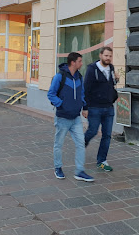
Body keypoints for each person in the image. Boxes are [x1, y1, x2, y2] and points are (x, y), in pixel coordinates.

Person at [47, 52, 94, 182]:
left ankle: (79, 171)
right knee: (59, 144)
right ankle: (58, 167)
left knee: (80, 143)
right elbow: (51, 94)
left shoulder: (79, 77)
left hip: (76, 119)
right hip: (62, 118)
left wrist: (84, 107)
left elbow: (82, 94)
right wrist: (61, 105)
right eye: (80, 61)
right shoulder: (60, 77)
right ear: (73, 62)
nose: (81, 63)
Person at [83, 47, 118, 172]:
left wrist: (116, 79)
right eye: (106, 56)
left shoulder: (111, 68)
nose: (108, 58)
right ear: (100, 55)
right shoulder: (92, 69)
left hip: (109, 107)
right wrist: (85, 107)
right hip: (94, 107)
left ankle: (102, 161)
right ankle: (82, 144)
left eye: (110, 56)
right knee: (92, 131)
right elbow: (86, 89)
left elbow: (111, 84)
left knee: (107, 135)